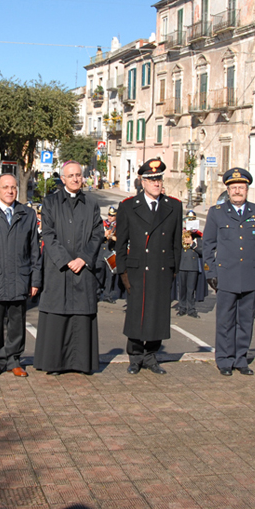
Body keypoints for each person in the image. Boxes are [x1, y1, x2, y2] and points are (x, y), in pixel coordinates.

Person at [35, 161, 105, 375]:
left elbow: (97, 234)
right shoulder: (50, 202)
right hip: (59, 270)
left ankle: (82, 363)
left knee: (81, 317)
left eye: (78, 175)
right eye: (71, 175)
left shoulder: (91, 204)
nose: (75, 179)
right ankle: (55, 364)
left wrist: (83, 259)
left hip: (83, 270)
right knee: (58, 316)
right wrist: (66, 260)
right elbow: (48, 234)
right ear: (62, 179)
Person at [115, 158, 182, 375]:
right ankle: (135, 356)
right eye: (151, 180)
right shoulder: (128, 206)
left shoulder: (173, 206)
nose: (156, 183)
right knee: (137, 314)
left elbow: (176, 243)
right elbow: (121, 243)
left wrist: (175, 270)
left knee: (158, 315)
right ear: (142, 182)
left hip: (162, 268)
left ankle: (151, 356)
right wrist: (122, 271)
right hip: (137, 269)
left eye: (159, 179)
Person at [202, 168, 255, 376]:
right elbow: (207, 245)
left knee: (245, 321)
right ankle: (224, 360)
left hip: (250, 275)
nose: (238, 191)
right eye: (234, 188)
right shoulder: (217, 212)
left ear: (247, 189)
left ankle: (241, 359)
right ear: (228, 191)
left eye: (241, 188)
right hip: (226, 276)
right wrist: (210, 272)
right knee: (225, 321)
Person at [0, 174, 42, 378]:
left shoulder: (28, 214)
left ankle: (14, 360)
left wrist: (35, 279)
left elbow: (34, 249)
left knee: (17, 322)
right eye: (5, 187)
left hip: (20, 277)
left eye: (13, 187)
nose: (10, 191)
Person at [177, 216, 202, 318]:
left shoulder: (197, 238)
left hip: (193, 267)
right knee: (182, 289)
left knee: (191, 289)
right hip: (182, 266)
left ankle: (191, 309)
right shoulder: (181, 236)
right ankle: (182, 308)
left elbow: (202, 251)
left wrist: (192, 243)